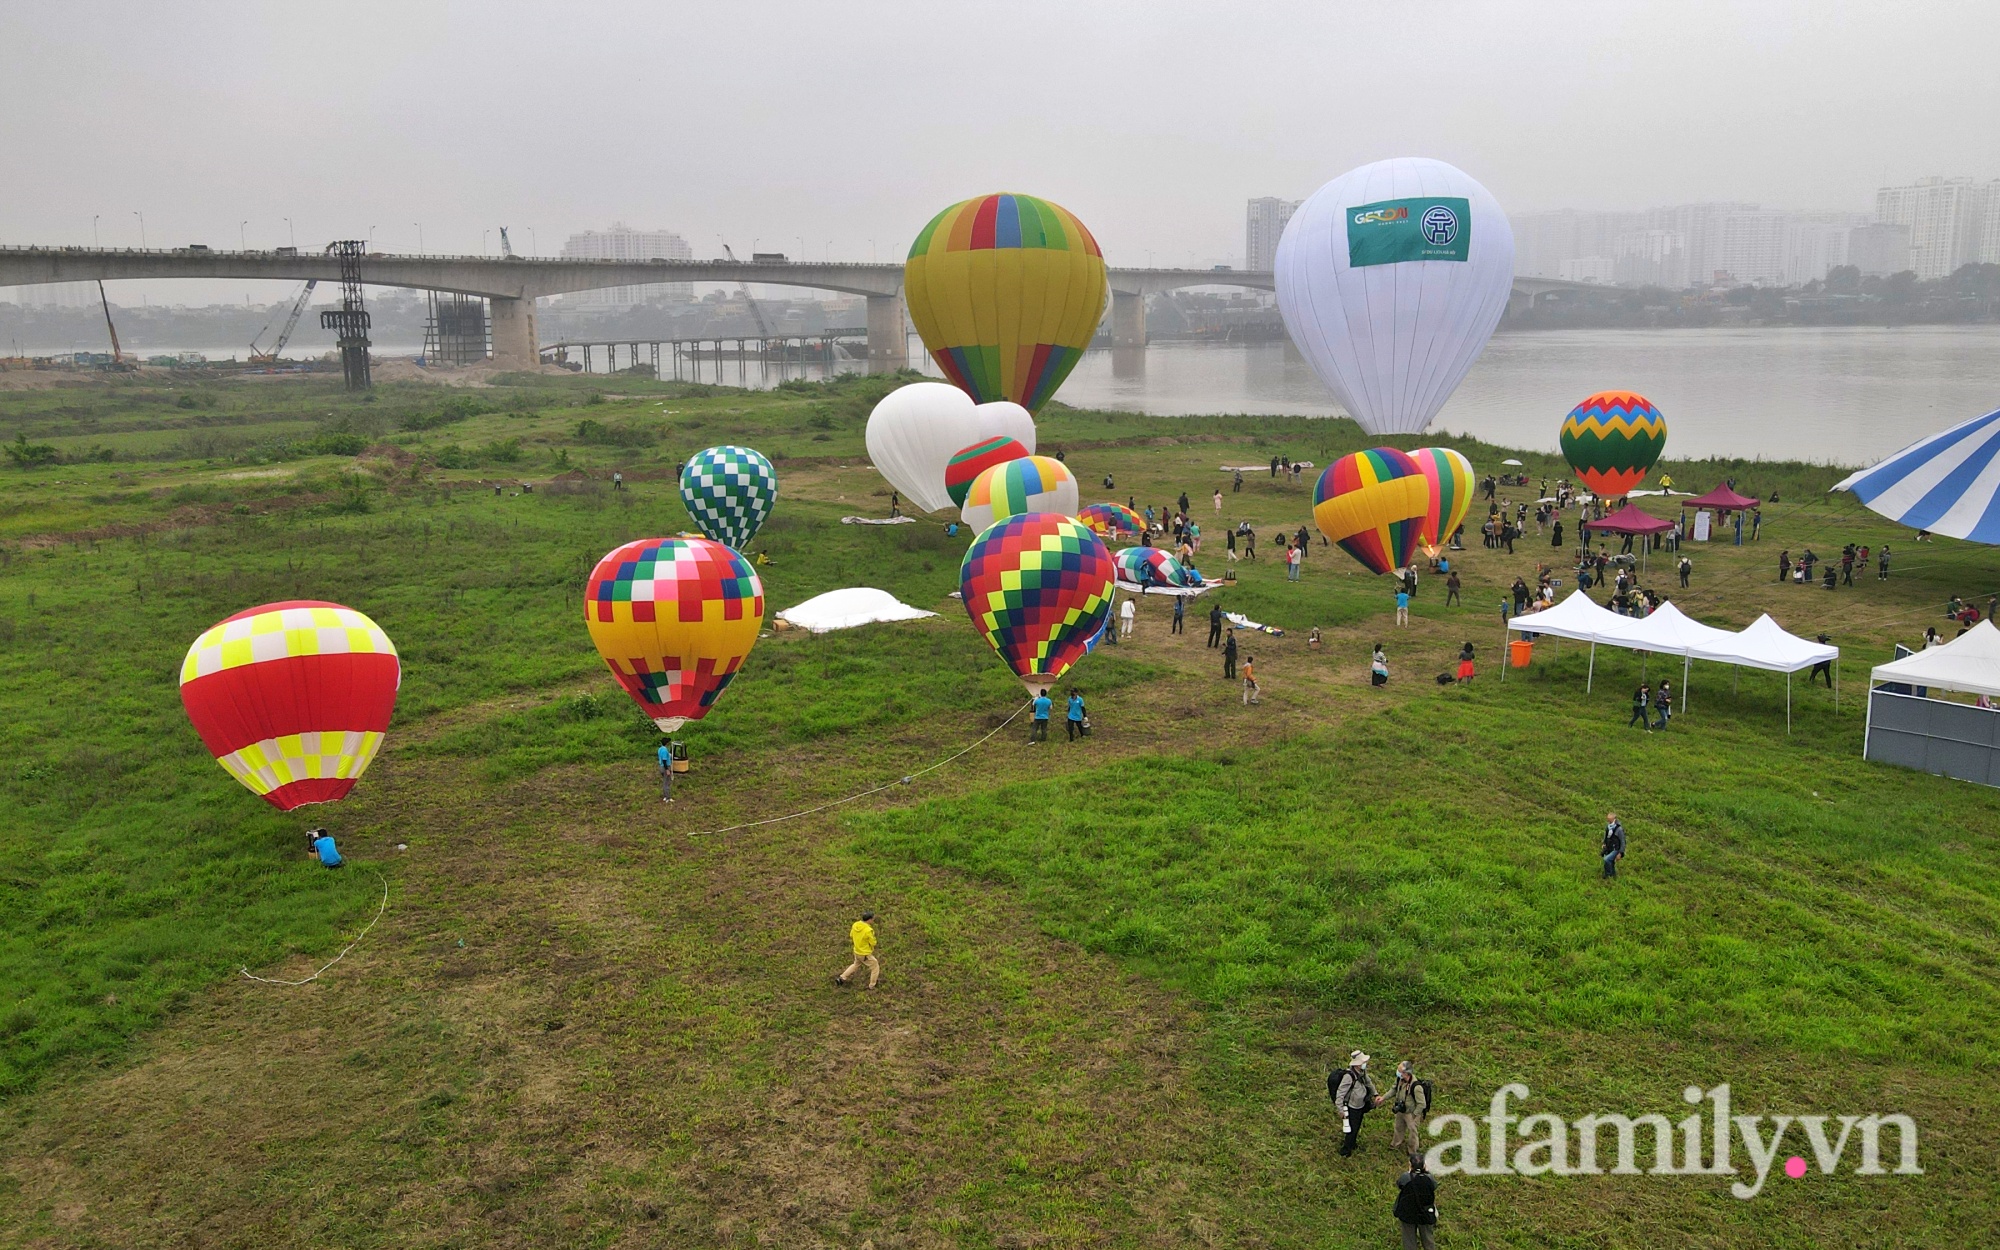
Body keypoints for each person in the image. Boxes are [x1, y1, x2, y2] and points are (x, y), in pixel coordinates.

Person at [1331, 1051, 1382, 1156]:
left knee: (1356, 1126)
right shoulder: (1348, 1077)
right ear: (1357, 1064)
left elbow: (1368, 1083)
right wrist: (1340, 1110)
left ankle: (1352, 1143)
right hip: (1352, 1107)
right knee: (1352, 1129)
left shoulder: (1362, 1072)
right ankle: (1346, 1150)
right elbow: (1340, 1094)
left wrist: (1375, 1094)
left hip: (1360, 1105)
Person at [1390, 1060, 1430, 1157]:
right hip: (1401, 1110)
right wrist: (1383, 1098)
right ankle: (1396, 1144)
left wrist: (1415, 1115)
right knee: (1398, 1127)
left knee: (1412, 1132)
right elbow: (1393, 1090)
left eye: (1400, 1071)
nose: (1398, 1072)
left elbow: (1422, 1104)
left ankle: (1412, 1151)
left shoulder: (1416, 1087)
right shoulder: (1400, 1080)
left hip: (1412, 1113)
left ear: (1406, 1073)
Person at [835, 912, 880, 989]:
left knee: (855, 964)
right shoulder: (868, 930)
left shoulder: (855, 925)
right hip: (865, 953)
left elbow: (851, 935)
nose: (873, 921)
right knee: (875, 967)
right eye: (872, 919)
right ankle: (872, 985)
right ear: (869, 920)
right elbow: (873, 942)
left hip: (857, 951)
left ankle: (842, 978)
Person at [1601, 812, 1627, 879]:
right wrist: (1604, 843)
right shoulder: (1608, 827)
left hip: (1616, 849)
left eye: (1609, 819)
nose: (1608, 821)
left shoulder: (1619, 829)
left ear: (1614, 819)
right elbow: (1606, 836)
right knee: (1611, 862)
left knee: (1607, 859)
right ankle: (1613, 875)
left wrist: (1621, 853)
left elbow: (1623, 841)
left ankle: (1608, 874)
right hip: (1609, 847)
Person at [657, 738, 676, 803]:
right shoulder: (665, 750)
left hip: (661, 767)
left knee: (665, 782)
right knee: (667, 782)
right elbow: (664, 760)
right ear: (667, 743)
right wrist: (667, 770)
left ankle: (665, 796)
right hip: (665, 767)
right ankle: (668, 797)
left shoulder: (660, 749)